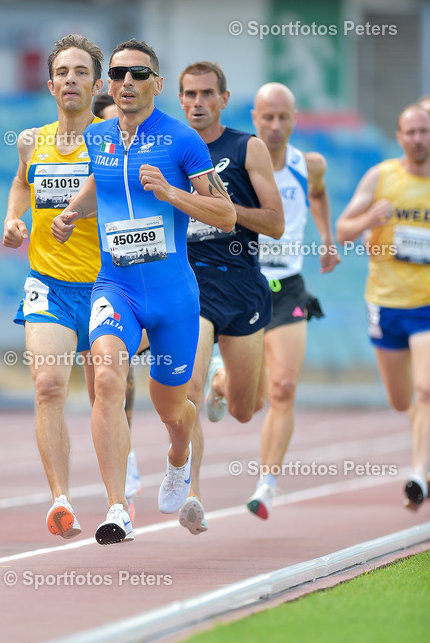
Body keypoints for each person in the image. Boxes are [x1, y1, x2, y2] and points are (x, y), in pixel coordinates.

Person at [52, 39, 236, 543]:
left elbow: (226, 215)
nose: (126, 82)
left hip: (174, 296)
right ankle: (117, 507)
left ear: (157, 83)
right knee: (107, 380)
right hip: (117, 286)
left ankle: (178, 461)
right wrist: (72, 211)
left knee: (171, 409)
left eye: (138, 74)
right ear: (106, 83)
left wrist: (171, 192)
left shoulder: (182, 142)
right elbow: (99, 186)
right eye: (117, 74)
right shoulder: (98, 137)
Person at [176, 61, 284, 535]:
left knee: (245, 407)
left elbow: (275, 223)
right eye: (188, 94)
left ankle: (225, 383)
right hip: (192, 282)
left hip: (241, 284)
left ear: (223, 98)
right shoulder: (169, 148)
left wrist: (222, 211)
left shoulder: (247, 147)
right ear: (179, 99)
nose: (197, 102)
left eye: (206, 94)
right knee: (188, 388)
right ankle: (192, 494)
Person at [3, 34, 104, 539]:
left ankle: (124, 493)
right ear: (50, 84)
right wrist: (13, 219)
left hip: (110, 285)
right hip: (48, 283)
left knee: (115, 393)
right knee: (48, 388)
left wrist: (80, 211)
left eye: (80, 71)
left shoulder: (112, 140)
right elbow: (22, 181)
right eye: (63, 72)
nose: (71, 79)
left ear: (97, 83)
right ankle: (60, 500)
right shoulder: (31, 141)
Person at [246, 82, 340, 519]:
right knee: (250, 399)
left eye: (284, 117)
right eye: (268, 117)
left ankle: (266, 485)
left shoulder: (310, 165)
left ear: (295, 118)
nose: (276, 126)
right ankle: (221, 379)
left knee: (283, 389)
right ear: (254, 118)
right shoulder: (239, 163)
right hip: (244, 286)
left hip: (289, 287)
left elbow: (317, 194)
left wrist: (327, 238)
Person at [336, 103, 430, 509]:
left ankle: (418, 474)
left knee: (426, 389)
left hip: (426, 303)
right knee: (401, 399)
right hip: (386, 304)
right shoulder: (381, 177)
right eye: (410, 132)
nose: (418, 139)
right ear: (399, 137)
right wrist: (369, 219)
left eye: (424, 131)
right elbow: (342, 231)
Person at [94, 90, 145, 510]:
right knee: (98, 384)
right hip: (76, 282)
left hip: (127, 282)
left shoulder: (145, 153)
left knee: (118, 375)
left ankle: (124, 471)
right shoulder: (91, 153)